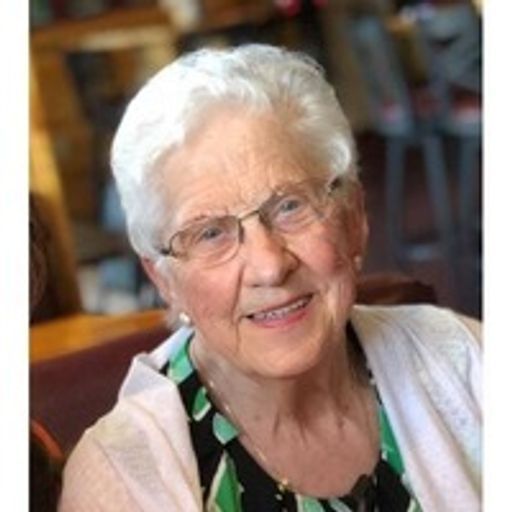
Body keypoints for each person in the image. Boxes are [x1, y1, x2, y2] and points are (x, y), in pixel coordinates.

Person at [59, 44, 481, 512]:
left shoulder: (465, 362)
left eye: (290, 206)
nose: (269, 266)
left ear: (354, 217)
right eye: (210, 233)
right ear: (163, 280)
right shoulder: (120, 485)